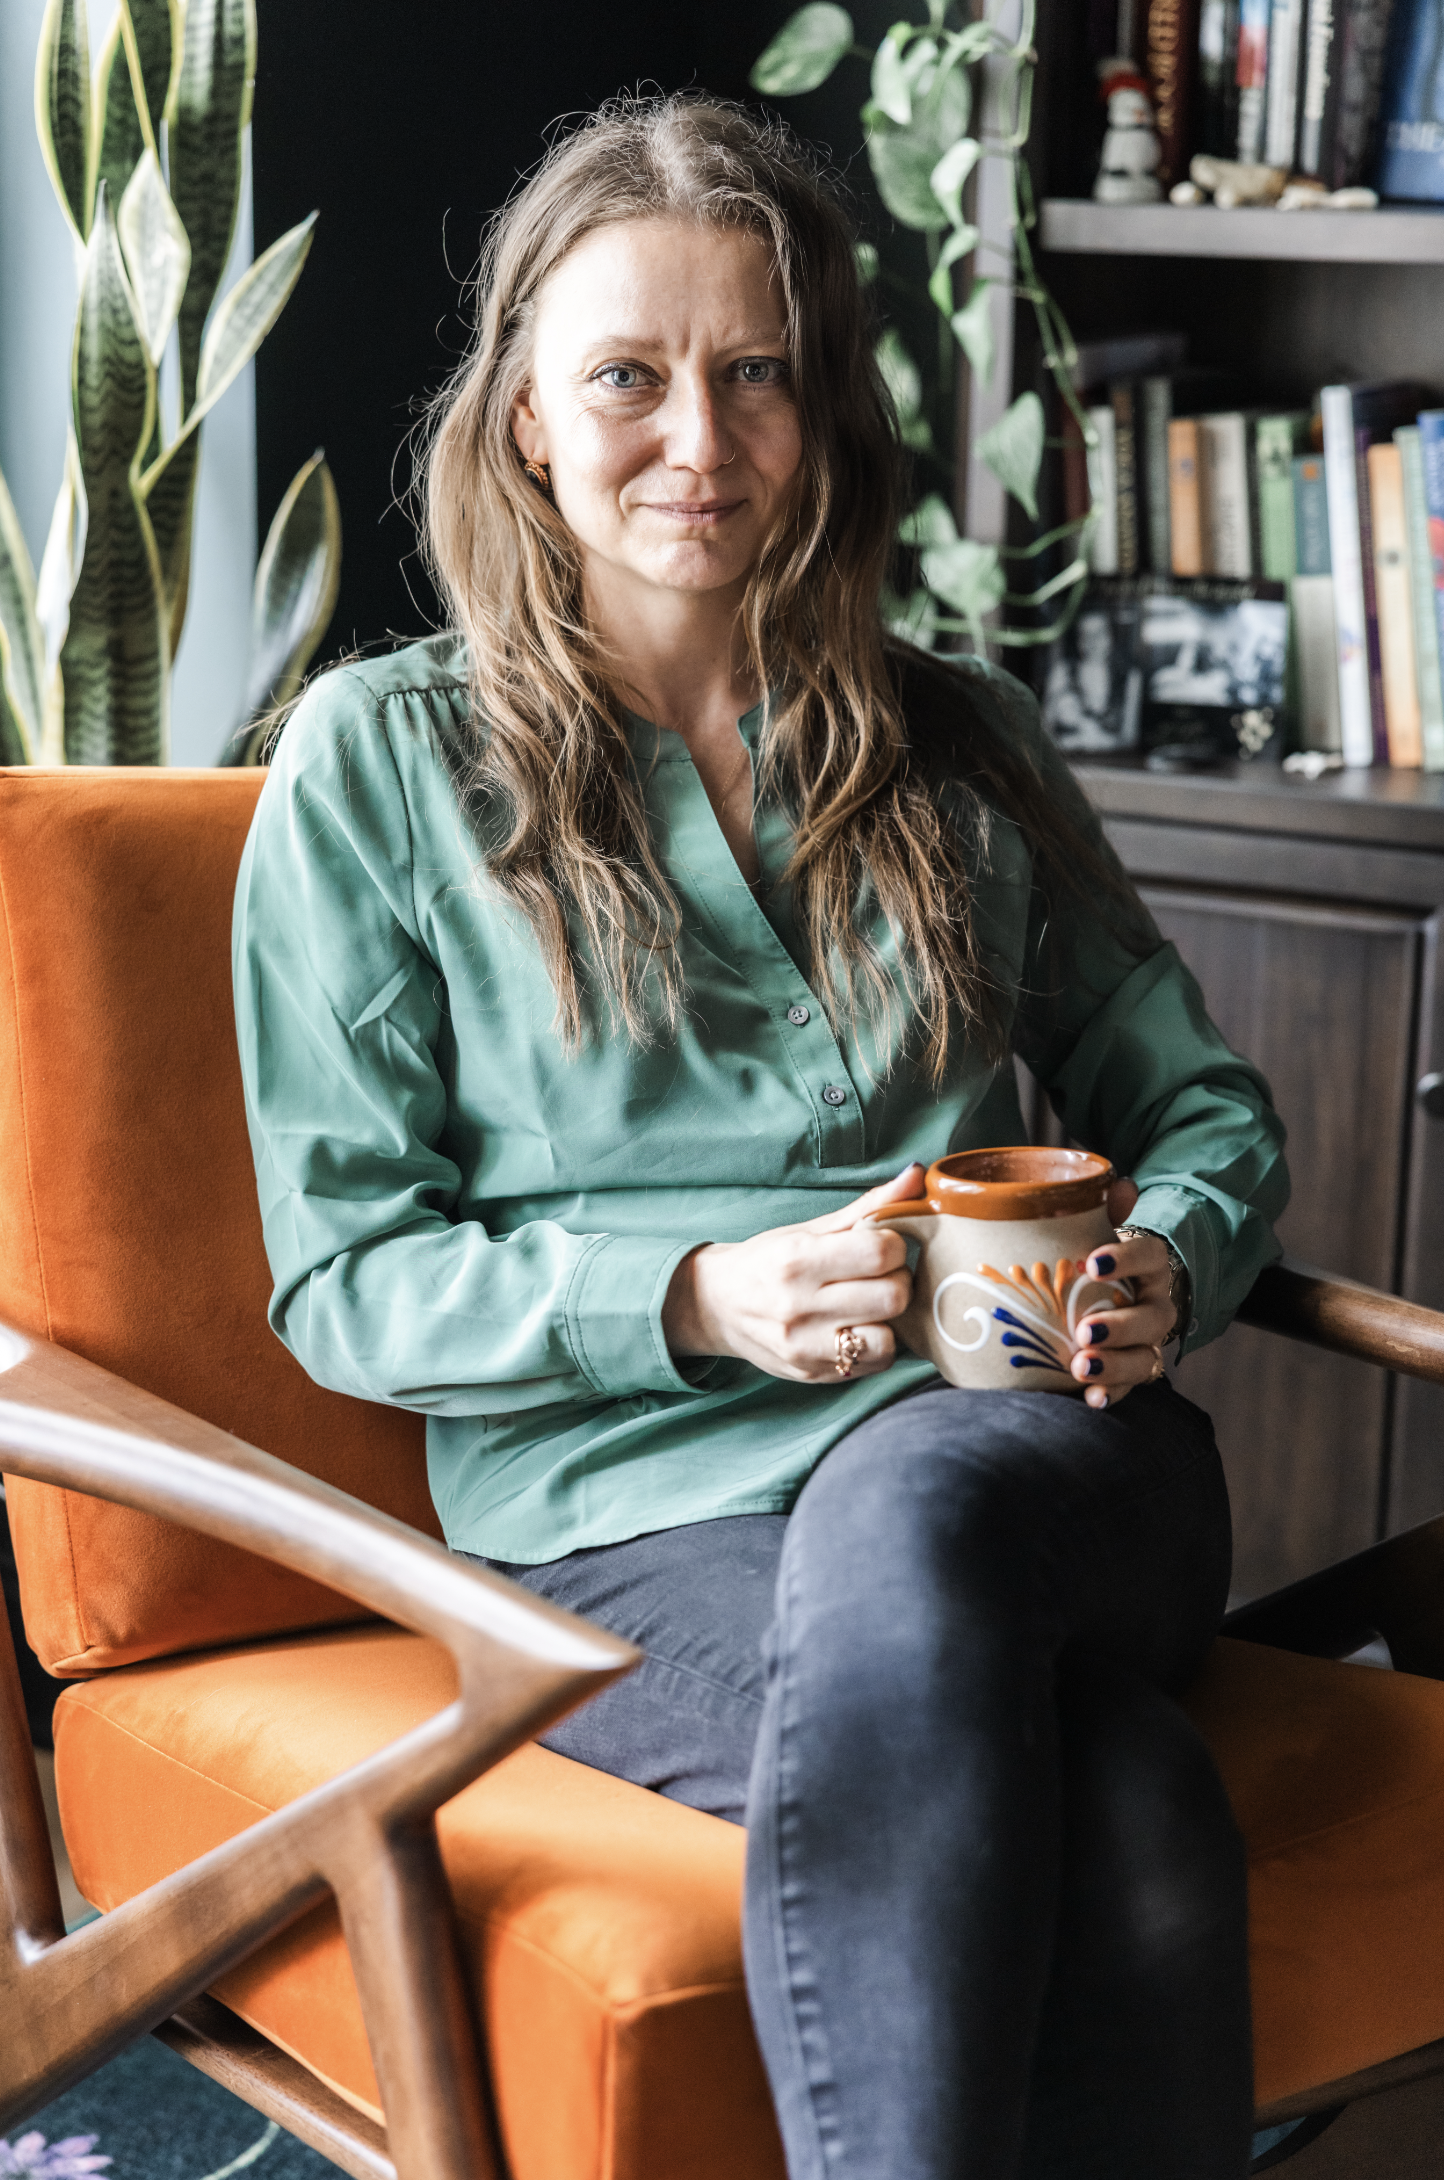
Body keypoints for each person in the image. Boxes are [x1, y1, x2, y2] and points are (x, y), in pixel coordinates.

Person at [233, 95, 1288, 2180]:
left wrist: (1168, 1252)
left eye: (753, 374)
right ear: (528, 417)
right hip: (625, 1523)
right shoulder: (379, 765)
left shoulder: (954, 738)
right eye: (626, 377)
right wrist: (694, 1296)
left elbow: (1198, 1100)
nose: (694, 443)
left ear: (820, 415)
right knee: (1139, 1818)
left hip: (1043, 1464)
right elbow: (344, 1274)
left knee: (916, 1520)